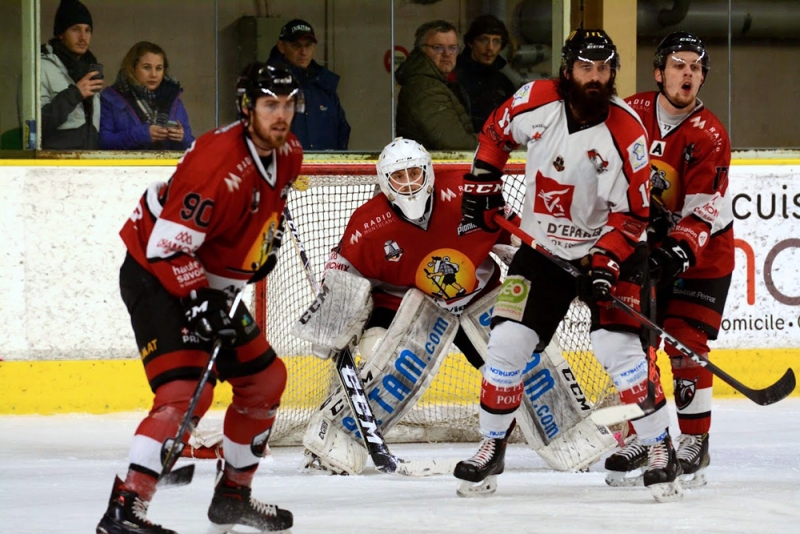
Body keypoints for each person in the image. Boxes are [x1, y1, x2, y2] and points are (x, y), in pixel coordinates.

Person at [454, 29, 683, 502]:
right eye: (586, 68)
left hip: (613, 251)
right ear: (567, 69)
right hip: (542, 251)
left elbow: (635, 215)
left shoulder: (626, 134)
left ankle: (660, 446)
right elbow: (495, 134)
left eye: (604, 70)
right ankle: (491, 444)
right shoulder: (534, 100)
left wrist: (604, 261)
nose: (595, 78)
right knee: (506, 343)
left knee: (617, 350)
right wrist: (482, 183)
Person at [95, 62, 304, 534]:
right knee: (186, 392)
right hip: (158, 275)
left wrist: (261, 248)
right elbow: (165, 246)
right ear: (247, 107)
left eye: (289, 104)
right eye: (271, 104)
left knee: (265, 380)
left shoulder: (288, 151)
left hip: (209, 281)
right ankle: (125, 510)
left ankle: (233, 496)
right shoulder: (216, 163)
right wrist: (198, 300)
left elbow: (268, 207)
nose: (282, 115)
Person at [296, 137, 518, 475]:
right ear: (384, 182)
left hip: (474, 296)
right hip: (403, 301)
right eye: (399, 177)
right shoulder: (367, 224)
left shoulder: (465, 192)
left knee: (511, 365)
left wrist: (538, 264)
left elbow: (513, 233)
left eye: (415, 173)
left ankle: (498, 438)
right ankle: (336, 440)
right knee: (375, 353)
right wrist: (331, 320)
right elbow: (341, 271)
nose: (409, 183)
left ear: (429, 172)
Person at [605, 31, 733, 489]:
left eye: (696, 68)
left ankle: (695, 442)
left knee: (683, 344)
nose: (688, 74)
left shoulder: (711, 134)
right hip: (643, 247)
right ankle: (643, 435)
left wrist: (676, 248)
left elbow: (703, 209)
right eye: (679, 65)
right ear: (660, 72)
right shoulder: (630, 113)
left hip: (702, 255)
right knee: (631, 346)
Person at [267, 18, 350, 150]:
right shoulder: (266, 85)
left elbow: (342, 131)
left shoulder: (324, 85)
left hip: (324, 169)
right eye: (296, 45)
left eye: (308, 45)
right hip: (282, 169)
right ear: (281, 47)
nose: (303, 52)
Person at [395, 20, 477, 150]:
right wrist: (492, 145)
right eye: (438, 48)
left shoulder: (436, 82)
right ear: (421, 50)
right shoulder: (426, 88)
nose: (447, 54)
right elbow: (453, 143)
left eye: (452, 48)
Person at [99, 41, 194, 150]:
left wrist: (182, 138)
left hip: (166, 166)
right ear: (132, 68)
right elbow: (103, 141)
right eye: (147, 67)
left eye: (158, 68)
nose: (153, 75)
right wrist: (142, 135)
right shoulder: (112, 98)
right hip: (127, 166)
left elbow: (192, 144)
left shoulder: (173, 99)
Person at [40, 0, 103, 149]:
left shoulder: (89, 67)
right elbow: (35, 126)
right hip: (53, 163)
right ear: (61, 34)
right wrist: (75, 93)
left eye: (88, 30)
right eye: (76, 29)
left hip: (88, 161)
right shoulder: (41, 67)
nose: (83, 37)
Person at [455, 14, 518, 134]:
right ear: (470, 42)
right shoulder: (455, 76)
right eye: (484, 40)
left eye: (496, 41)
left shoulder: (503, 82)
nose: (490, 48)